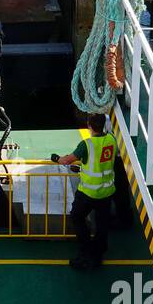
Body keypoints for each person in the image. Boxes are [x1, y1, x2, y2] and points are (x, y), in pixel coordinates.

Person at [52, 112, 117, 269]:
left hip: (89, 192)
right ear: (103, 125)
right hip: (107, 192)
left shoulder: (86, 145)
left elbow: (68, 160)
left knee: (77, 216)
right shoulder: (112, 140)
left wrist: (56, 158)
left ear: (89, 125)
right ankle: (98, 253)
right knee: (102, 224)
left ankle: (85, 250)